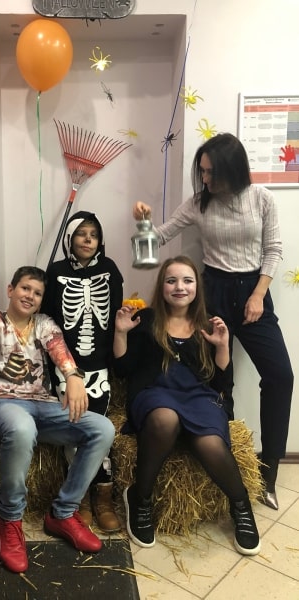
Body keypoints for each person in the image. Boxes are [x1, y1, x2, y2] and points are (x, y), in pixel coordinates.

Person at [133, 133, 293, 510]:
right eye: (201, 171)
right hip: (213, 291)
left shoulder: (262, 198)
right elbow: (156, 242)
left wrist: (258, 294)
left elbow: (273, 250)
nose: (204, 178)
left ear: (231, 169)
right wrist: (144, 224)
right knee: (219, 376)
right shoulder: (198, 203)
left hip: (253, 291)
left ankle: (268, 471)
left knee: (281, 376)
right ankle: (220, 453)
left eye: (210, 172)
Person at [0, 266, 115, 574]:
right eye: (25, 288)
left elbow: (59, 350)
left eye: (37, 293)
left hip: (41, 404)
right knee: (21, 428)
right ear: (11, 290)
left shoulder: (43, 324)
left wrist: (73, 376)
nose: (30, 295)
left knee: (102, 428)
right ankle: (9, 519)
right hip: (0, 403)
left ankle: (63, 512)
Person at [113, 255, 260, 556]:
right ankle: (140, 498)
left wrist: (222, 346)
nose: (179, 287)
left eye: (187, 281)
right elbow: (123, 370)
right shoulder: (147, 320)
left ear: (197, 287)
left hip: (198, 395)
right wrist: (121, 333)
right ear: (162, 287)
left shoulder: (210, 322)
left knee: (210, 442)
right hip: (155, 392)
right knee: (165, 419)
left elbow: (222, 381)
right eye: (172, 281)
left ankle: (241, 506)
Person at [42, 211, 123, 533]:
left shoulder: (110, 269)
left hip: (99, 368)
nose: (88, 240)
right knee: (74, 431)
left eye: (94, 234)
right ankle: (80, 499)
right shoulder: (56, 272)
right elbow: (48, 321)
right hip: (66, 368)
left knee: (100, 429)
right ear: (69, 238)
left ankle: (103, 498)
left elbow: (114, 316)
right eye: (81, 233)